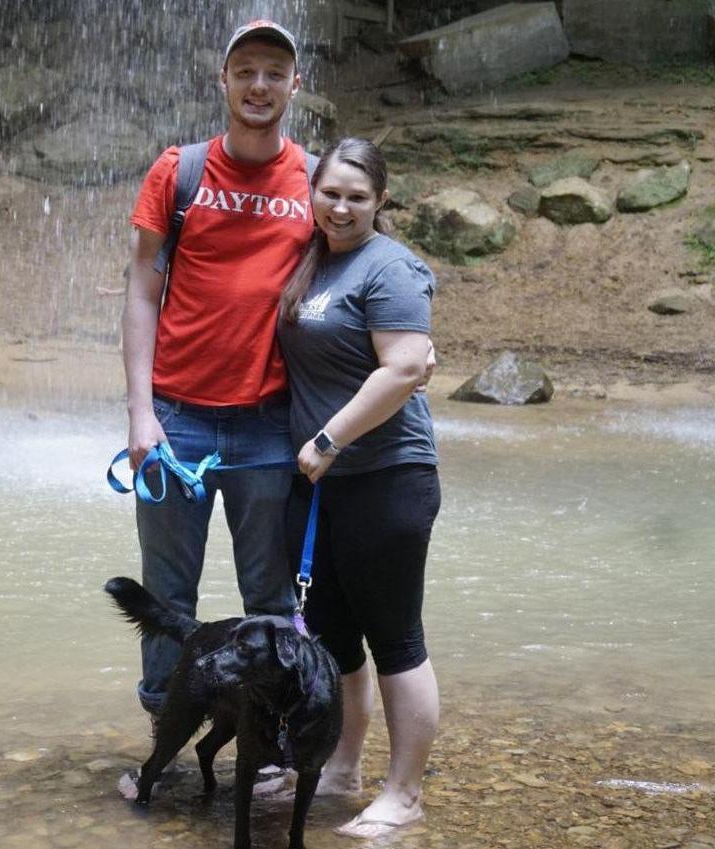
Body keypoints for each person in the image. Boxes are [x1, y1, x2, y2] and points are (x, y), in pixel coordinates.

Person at [122, 21, 312, 723]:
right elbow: (142, 290)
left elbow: (357, 277)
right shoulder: (180, 171)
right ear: (223, 81)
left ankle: (270, 736)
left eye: (274, 73)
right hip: (177, 419)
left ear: (295, 85)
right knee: (167, 596)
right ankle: (166, 735)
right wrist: (141, 412)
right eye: (246, 71)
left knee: (271, 598)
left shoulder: (317, 179)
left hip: (270, 422)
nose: (259, 85)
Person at [277, 138, 442, 839]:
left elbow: (403, 366)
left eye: (357, 197)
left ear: (380, 201)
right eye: (330, 193)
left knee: (395, 638)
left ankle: (404, 793)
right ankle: (342, 768)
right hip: (321, 484)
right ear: (312, 192)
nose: (340, 208)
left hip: (387, 476)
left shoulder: (390, 267)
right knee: (334, 637)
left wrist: (328, 440)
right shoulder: (313, 259)